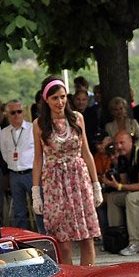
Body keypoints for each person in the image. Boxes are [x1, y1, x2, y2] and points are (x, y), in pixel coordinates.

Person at [32, 76, 102, 266]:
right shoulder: (39, 124)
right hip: (54, 181)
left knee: (87, 237)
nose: (60, 102)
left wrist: (96, 185)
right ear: (46, 99)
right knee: (63, 242)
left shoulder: (77, 118)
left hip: (78, 177)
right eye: (55, 98)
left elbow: (86, 152)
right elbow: (38, 159)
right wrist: (36, 192)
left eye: (62, 97)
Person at [0, 100, 41, 231]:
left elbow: (40, 152)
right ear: (7, 115)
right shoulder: (5, 132)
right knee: (19, 211)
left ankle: (44, 236)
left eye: (19, 111)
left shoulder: (31, 128)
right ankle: (24, 238)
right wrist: (14, 164)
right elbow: (5, 153)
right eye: (13, 112)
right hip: (15, 174)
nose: (17, 115)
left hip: (31, 172)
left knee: (39, 207)